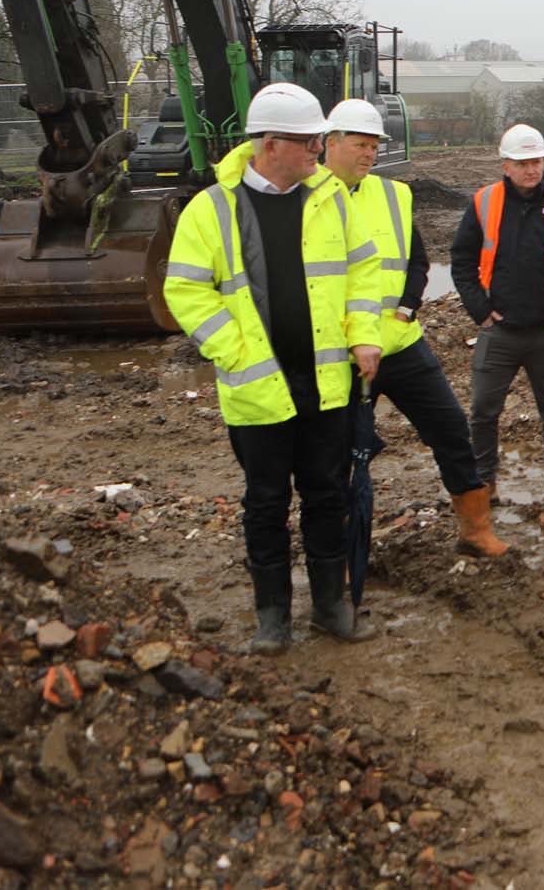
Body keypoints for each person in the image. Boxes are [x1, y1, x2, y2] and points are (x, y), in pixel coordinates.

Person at [163, 82, 383, 652]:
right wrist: (236, 351)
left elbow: (363, 275)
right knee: (265, 502)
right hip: (257, 390)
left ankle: (331, 606)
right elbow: (185, 290)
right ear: (269, 144)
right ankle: (272, 617)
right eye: (308, 141)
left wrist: (365, 338)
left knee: (326, 495)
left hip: (326, 384)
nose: (318, 149)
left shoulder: (330, 198)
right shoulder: (211, 209)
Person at [323, 99, 492, 602]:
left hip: (400, 345)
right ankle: (345, 557)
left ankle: (475, 530)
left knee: (450, 430)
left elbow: (417, 259)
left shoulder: (393, 195)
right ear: (329, 144)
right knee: (342, 460)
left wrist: (409, 306)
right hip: (343, 355)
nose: (370, 154)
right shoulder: (309, 201)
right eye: (360, 144)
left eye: (375, 145)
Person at [448, 123, 544, 551]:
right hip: (501, 331)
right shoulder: (484, 202)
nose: (532, 169)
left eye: (536, 161)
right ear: (506, 165)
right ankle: (484, 482)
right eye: (523, 163)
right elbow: (461, 259)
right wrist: (480, 309)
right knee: (482, 411)